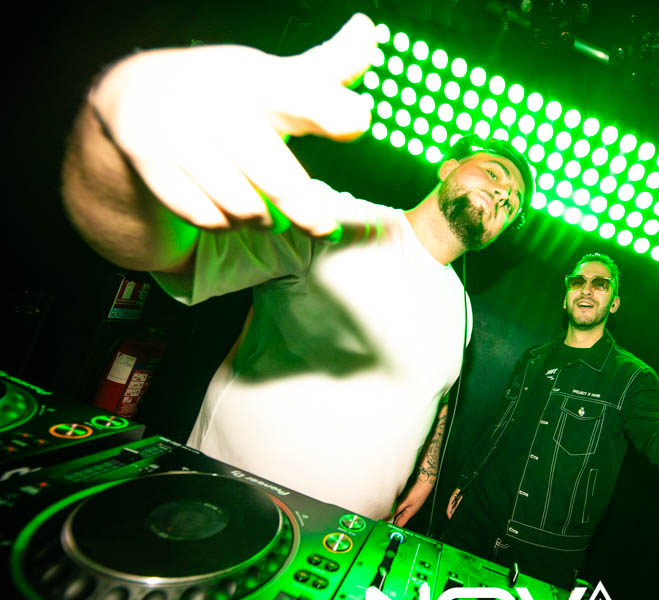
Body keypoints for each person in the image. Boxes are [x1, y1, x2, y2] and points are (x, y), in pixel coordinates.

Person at [59, 13, 534, 522]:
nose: (503, 194)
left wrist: (428, 471)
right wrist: (116, 144)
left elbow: (436, 395)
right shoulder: (336, 220)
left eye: (513, 202)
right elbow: (161, 248)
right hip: (228, 508)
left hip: (343, 543)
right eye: (495, 173)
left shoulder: (460, 306)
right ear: (448, 167)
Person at [443, 253, 659, 587]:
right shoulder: (533, 358)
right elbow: (499, 429)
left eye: (600, 284)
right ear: (565, 297)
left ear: (613, 303)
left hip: (544, 552)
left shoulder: (632, 377)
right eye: (578, 281)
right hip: (475, 520)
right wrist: (465, 482)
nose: (587, 289)